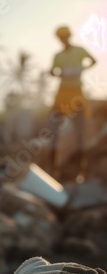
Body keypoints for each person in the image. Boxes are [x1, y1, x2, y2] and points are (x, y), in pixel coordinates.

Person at [47, 25, 96, 181]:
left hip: (77, 95)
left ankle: (81, 171)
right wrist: (61, 73)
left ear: (69, 36)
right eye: (61, 38)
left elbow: (94, 61)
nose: (63, 40)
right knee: (53, 131)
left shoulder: (80, 51)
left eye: (65, 37)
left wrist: (80, 69)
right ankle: (53, 171)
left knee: (80, 133)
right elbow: (51, 71)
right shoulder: (58, 56)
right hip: (62, 94)